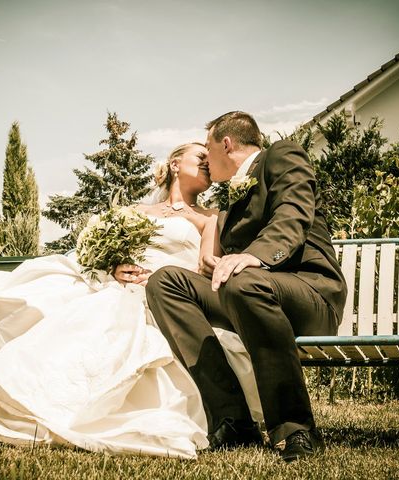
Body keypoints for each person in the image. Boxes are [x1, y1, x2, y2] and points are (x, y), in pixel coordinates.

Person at [0, 142, 262, 460]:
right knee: (66, 316)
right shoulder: (135, 211)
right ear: (175, 163)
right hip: (124, 284)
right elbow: (106, 251)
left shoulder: (210, 217)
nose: (208, 165)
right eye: (200, 157)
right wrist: (115, 268)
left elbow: (202, 267)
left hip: (169, 294)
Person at [146, 111, 347, 462]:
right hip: (250, 292)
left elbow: (293, 214)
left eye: (207, 147)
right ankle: (232, 417)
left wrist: (251, 257)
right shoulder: (231, 199)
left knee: (243, 281)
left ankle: (293, 427)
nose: (206, 158)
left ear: (225, 143)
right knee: (166, 281)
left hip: (309, 293)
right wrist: (217, 263)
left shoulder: (282, 156)